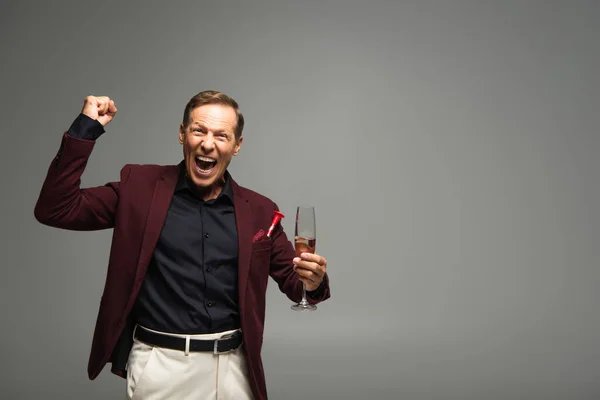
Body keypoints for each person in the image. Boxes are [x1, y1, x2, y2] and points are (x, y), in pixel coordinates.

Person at [34, 91, 331, 400]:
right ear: (182, 133)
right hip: (162, 367)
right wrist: (86, 128)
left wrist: (314, 279)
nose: (207, 143)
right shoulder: (140, 188)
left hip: (236, 370)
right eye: (198, 130)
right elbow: (55, 208)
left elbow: (297, 284)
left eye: (221, 135)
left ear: (237, 145)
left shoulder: (260, 210)